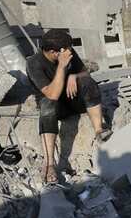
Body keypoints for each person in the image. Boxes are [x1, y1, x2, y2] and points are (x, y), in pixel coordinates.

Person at [26, 30, 111, 185]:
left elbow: (85, 72)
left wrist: (74, 76)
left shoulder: (68, 52)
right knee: (47, 105)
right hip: (56, 108)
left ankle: (99, 129)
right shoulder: (33, 63)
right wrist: (62, 68)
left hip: (73, 100)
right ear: (53, 52)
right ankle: (50, 163)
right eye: (66, 50)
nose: (70, 52)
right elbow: (52, 94)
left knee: (88, 83)